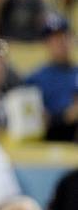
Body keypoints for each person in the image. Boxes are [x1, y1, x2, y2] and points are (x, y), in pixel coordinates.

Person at [25, 13, 78, 141]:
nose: (59, 42)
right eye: (53, 38)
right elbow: (33, 121)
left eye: (63, 36)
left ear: (70, 39)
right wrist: (64, 117)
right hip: (51, 140)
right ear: (46, 43)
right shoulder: (35, 79)